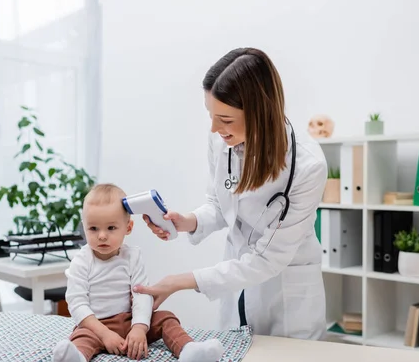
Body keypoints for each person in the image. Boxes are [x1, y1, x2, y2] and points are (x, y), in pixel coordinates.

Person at [135, 47, 328, 340]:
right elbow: (220, 203)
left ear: (260, 114)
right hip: (237, 281)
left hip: (288, 292)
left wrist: (179, 281)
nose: (214, 128)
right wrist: (186, 221)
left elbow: (268, 260)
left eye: (225, 119)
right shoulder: (222, 138)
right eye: (211, 115)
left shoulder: (307, 167)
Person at [52, 183, 224, 362]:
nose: (102, 235)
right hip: (96, 326)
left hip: (130, 320)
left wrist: (139, 328)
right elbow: (77, 304)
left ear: (128, 227)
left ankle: (187, 348)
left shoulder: (132, 256)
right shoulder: (81, 261)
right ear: (84, 227)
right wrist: (104, 334)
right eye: (93, 228)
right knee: (81, 338)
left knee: (166, 318)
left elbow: (142, 294)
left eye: (111, 228)